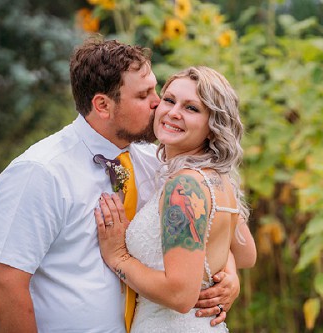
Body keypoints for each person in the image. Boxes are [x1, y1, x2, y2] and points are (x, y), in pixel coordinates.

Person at [0, 38, 240, 333]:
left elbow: (209, 230)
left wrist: (227, 276)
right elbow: (2, 286)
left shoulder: (155, 162)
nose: (159, 102)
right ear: (103, 105)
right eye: (144, 95)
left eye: (155, 89)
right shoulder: (40, 172)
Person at [94, 66, 257, 332]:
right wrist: (226, 271)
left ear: (213, 126)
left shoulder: (184, 187)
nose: (173, 112)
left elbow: (180, 297)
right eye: (169, 100)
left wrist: (118, 258)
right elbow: (246, 254)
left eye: (191, 108)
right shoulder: (218, 179)